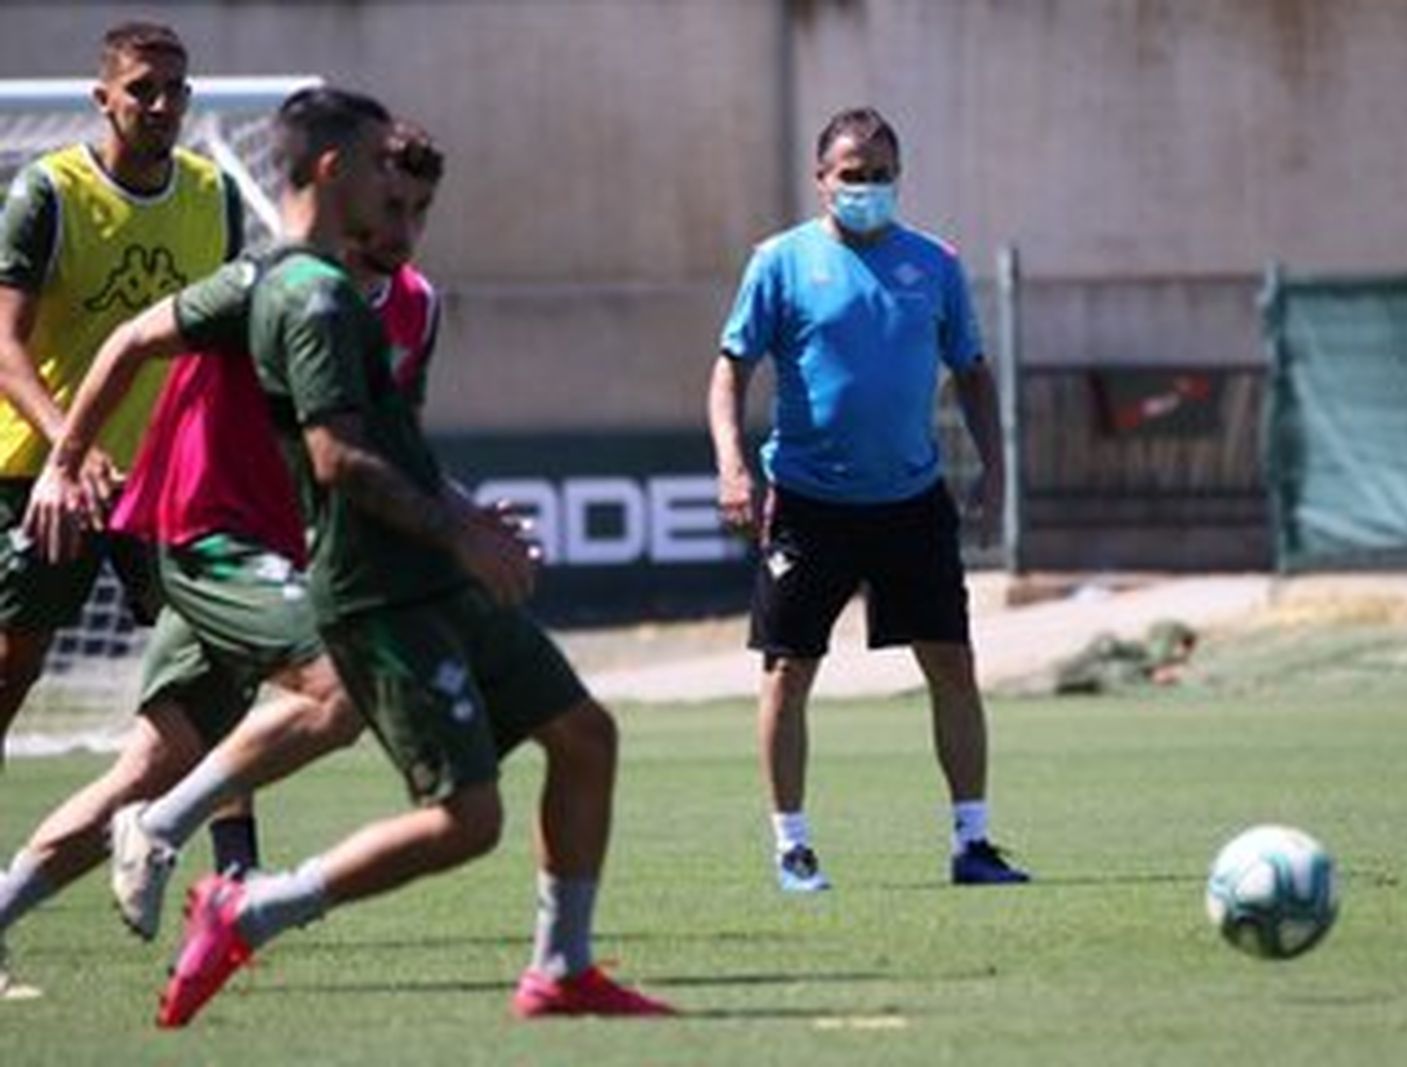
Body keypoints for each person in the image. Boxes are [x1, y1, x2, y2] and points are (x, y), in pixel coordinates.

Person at [44, 85, 671, 1027]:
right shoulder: (302, 292)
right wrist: (458, 530)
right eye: (383, 169)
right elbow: (336, 456)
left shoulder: (383, 297)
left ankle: (560, 969)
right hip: (374, 587)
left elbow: (394, 440)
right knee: (465, 818)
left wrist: (462, 516)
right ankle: (248, 902)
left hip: (432, 569)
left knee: (585, 736)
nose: (396, 193)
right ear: (338, 170)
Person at [0, 121, 450, 988]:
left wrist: (457, 515)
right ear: (347, 186)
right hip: (207, 537)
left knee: (146, 767)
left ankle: (32, 887)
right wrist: (64, 461)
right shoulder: (268, 280)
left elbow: (394, 450)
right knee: (340, 681)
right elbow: (128, 342)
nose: (403, 226)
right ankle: (176, 833)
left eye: (421, 209)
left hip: (282, 551)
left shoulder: (415, 307)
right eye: (389, 202)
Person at [708, 106, 1030, 893]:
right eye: (852, 174)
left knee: (952, 663)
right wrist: (732, 465)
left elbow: (973, 372)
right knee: (788, 671)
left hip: (910, 501)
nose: (867, 187)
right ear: (822, 179)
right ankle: (792, 847)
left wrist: (995, 467)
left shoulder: (934, 263)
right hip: (808, 503)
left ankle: (973, 843)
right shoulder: (779, 262)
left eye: (881, 174)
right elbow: (730, 369)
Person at [0, 20, 250, 993]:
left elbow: (223, 342)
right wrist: (74, 449)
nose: (162, 104)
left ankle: (234, 885)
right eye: (143, 88)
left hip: (169, 480)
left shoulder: (213, 196)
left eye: (175, 88)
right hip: (44, 476)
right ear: (102, 96)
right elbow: (6, 345)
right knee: (13, 668)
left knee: (228, 663)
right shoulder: (49, 193)